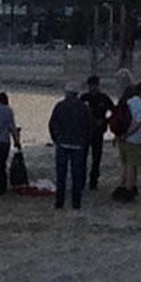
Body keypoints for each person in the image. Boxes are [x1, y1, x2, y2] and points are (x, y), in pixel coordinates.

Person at [48, 81, 93, 209]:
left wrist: (55, 139)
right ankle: (76, 202)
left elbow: (52, 124)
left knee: (61, 175)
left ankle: (59, 202)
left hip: (62, 143)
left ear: (66, 92)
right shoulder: (84, 107)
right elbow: (90, 126)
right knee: (77, 175)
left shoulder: (60, 106)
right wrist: (86, 142)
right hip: (78, 145)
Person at [115, 81, 141, 202]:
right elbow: (138, 122)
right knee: (132, 165)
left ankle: (122, 185)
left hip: (122, 139)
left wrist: (121, 135)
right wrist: (127, 134)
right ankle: (129, 189)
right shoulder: (140, 105)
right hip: (133, 140)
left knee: (125, 164)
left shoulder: (127, 102)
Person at [80, 75, 115, 190]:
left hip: (98, 132)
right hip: (85, 132)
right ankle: (81, 180)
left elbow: (114, 111)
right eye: (91, 86)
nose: (94, 88)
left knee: (96, 158)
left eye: (95, 85)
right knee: (82, 158)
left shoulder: (104, 98)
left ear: (99, 86)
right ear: (88, 86)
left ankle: (93, 182)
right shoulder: (84, 98)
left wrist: (106, 120)